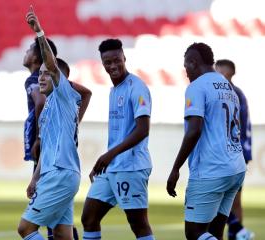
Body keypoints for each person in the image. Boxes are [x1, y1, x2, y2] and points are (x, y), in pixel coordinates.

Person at [166, 43, 246, 240]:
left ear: (193, 62)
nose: (185, 72)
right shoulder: (227, 86)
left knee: (194, 233)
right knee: (214, 232)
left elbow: (194, 130)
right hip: (235, 167)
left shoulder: (196, 87)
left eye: (186, 66)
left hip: (211, 170)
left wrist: (176, 168)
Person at [80, 38, 155, 240]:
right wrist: (106, 160)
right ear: (102, 64)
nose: (113, 65)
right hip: (112, 166)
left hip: (131, 166)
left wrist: (109, 154)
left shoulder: (136, 87)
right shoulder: (115, 90)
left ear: (124, 57)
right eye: (107, 62)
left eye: (116, 60)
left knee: (138, 224)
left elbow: (143, 130)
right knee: (88, 218)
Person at [17, 6, 82, 240]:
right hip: (58, 174)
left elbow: (53, 66)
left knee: (25, 229)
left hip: (60, 174)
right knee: (63, 234)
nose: (41, 77)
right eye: (40, 73)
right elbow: (46, 147)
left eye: (46, 73)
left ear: (59, 78)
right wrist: (35, 178)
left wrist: (39, 32)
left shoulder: (64, 96)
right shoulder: (46, 111)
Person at [215, 59, 254, 240]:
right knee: (231, 200)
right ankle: (237, 232)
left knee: (223, 199)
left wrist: (244, 152)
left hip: (231, 154)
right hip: (232, 153)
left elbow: (243, 126)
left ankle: (236, 232)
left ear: (229, 73)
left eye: (219, 70)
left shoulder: (233, 94)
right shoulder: (231, 93)